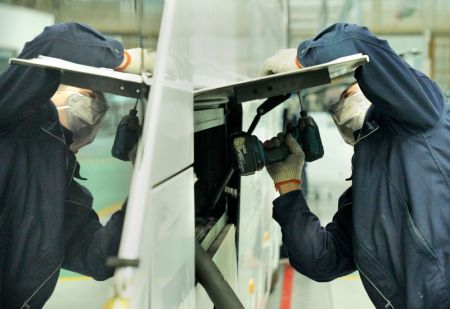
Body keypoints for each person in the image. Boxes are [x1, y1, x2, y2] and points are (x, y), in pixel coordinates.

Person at [261, 23, 450, 309]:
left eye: (346, 94)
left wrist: (303, 59)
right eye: (333, 108)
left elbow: (355, 40)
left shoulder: (424, 113)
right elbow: (321, 259)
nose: (339, 110)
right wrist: (288, 186)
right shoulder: (364, 190)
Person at [0, 22, 154, 308]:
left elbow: (99, 258)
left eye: (100, 103)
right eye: (90, 94)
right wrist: (131, 60)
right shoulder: (10, 116)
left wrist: (148, 176)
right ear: (49, 91)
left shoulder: (63, 193)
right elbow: (55, 42)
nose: (95, 107)